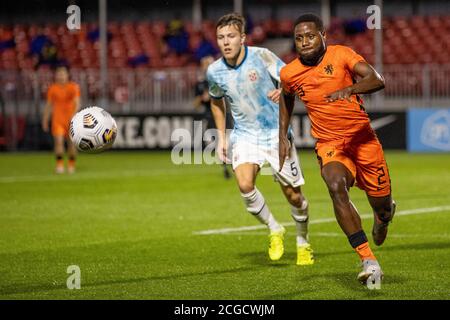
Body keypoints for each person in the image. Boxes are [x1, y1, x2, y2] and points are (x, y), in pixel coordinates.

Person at [278, 14, 396, 286]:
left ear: (323, 36)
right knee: (334, 185)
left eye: (310, 36)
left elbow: (377, 79)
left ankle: (383, 216)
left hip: (363, 141)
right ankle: (367, 259)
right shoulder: (289, 73)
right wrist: (282, 136)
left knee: (383, 206)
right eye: (299, 38)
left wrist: (350, 89)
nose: (305, 42)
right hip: (330, 143)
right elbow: (286, 97)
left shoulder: (341, 55)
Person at [207, 13, 314, 265]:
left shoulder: (262, 55)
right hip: (245, 136)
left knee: (294, 196)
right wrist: (222, 138)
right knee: (245, 185)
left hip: (276, 135)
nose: (226, 42)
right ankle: (275, 228)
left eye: (231, 36)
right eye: (221, 37)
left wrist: (283, 89)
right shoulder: (214, 71)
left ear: (242, 38)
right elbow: (216, 101)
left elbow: (291, 79)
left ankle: (303, 242)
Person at [194, 55, 231, 179]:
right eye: (205, 64)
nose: (207, 67)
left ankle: (234, 163)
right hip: (210, 116)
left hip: (224, 114)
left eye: (209, 64)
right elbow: (196, 105)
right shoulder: (200, 84)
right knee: (218, 141)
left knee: (231, 139)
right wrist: (202, 98)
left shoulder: (220, 80)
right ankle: (225, 166)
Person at [42, 65, 81, 174]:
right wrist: (45, 119)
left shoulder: (73, 87)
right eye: (59, 74)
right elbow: (49, 105)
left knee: (71, 143)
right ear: (56, 76)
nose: (61, 76)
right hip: (57, 119)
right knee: (58, 142)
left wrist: (74, 115)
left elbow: (77, 103)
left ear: (67, 75)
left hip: (70, 119)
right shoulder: (52, 88)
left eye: (63, 74)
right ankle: (59, 165)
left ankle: (71, 164)